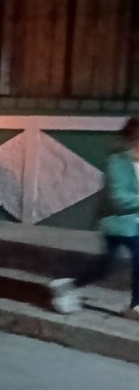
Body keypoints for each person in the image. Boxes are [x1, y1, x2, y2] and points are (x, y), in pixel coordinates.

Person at [49, 118, 139, 318]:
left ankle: (135, 306)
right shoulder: (117, 162)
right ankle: (70, 285)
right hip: (118, 222)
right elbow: (119, 199)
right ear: (133, 140)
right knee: (107, 266)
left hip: (136, 222)